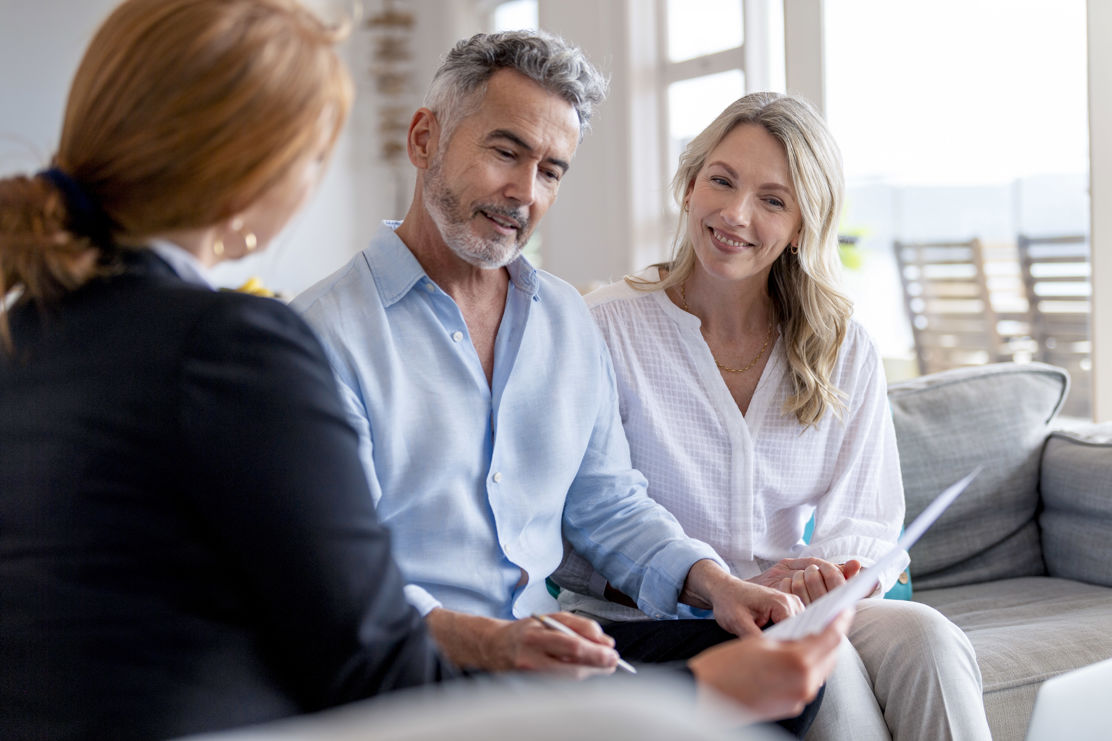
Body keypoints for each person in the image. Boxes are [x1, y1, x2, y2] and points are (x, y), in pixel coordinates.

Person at [292, 31, 846, 734]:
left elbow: (610, 503)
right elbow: (338, 581)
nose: (525, 192)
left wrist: (718, 586)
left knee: (773, 673)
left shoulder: (561, 317)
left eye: (552, 170)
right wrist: (495, 643)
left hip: (544, 649)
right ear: (425, 138)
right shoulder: (318, 335)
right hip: (415, 669)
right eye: (505, 151)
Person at [0, 1, 460, 738]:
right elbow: (381, 673)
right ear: (253, 172)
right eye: (316, 154)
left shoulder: (20, 332)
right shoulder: (230, 348)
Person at [554, 91, 993, 740]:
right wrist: (720, 586)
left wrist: (819, 577)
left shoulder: (841, 345)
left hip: (792, 602)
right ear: (688, 185)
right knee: (825, 665)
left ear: (800, 227)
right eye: (721, 181)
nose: (735, 213)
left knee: (932, 637)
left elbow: (869, 519)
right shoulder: (605, 328)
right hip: (656, 616)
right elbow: (577, 526)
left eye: (772, 199)